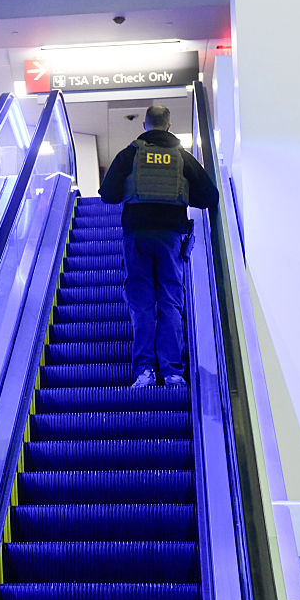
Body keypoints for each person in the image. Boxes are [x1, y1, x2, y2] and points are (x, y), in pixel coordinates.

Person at [98, 104, 218, 387]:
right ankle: (172, 371)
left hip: (137, 236)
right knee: (170, 301)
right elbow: (209, 197)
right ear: (169, 126)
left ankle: (145, 371)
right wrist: (180, 193)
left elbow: (108, 195)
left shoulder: (130, 154)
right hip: (170, 237)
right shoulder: (182, 157)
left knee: (142, 303)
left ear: (145, 125)